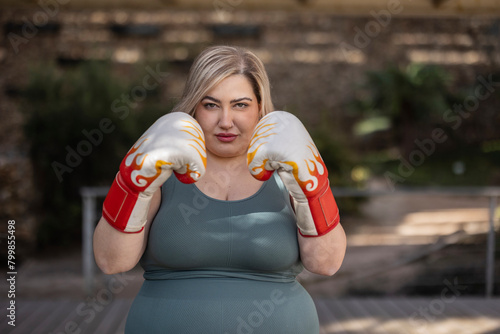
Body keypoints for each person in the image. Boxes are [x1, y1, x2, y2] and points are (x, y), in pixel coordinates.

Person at [93, 45, 346, 333]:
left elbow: (326, 263)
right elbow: (111, 261)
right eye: (211, 105)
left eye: (240, 105)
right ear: (194, 108)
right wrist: (130, 183)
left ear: (260, 108)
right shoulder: (162, 172)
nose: (226, 121)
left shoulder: (288, 170)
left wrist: (314, 189)